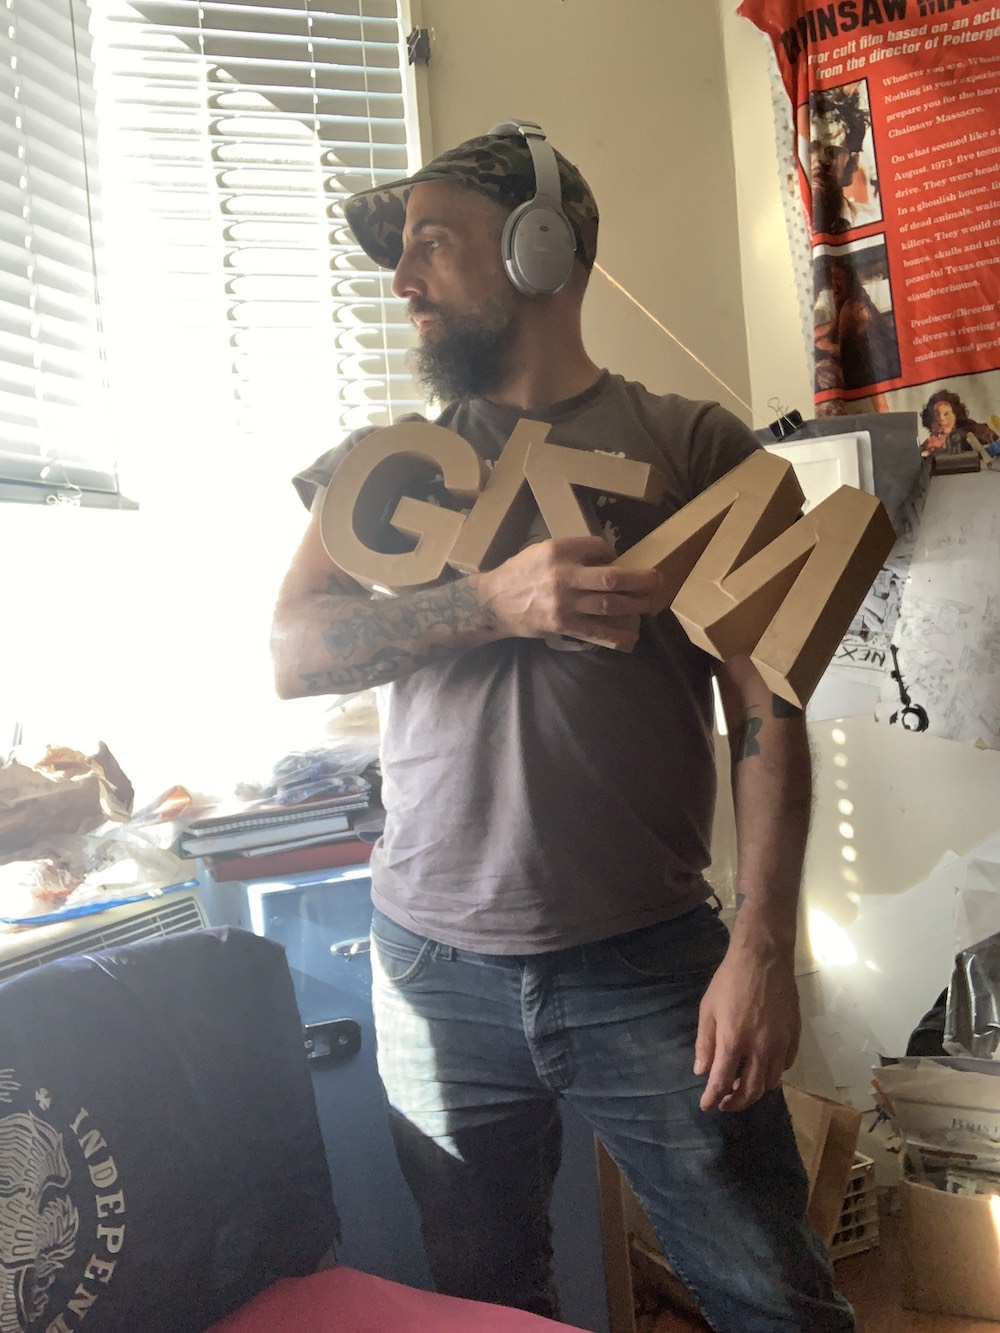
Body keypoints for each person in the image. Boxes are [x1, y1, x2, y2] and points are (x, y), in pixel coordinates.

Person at [271, 125, 855, 1332]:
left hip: (647, 963)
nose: (403, 279)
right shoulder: (390, 466)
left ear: (540, 249)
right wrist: (488, 602)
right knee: (489, 1305)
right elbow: (293, 650)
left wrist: (759, 949)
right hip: (431, 967)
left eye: (431, 242)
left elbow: (766, 702)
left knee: (772, 1300)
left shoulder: (690, 445)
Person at [806, 86, 879, 236]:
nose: (820, 161)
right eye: (812, 148)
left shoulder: (872, 220)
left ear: (852, 162)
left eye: (833, 150)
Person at [919, 388, 999, 464]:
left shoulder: (974, 431)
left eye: (946, 414)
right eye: (937, 414)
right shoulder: (928, 445)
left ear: (955, 415)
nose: (941, 418)